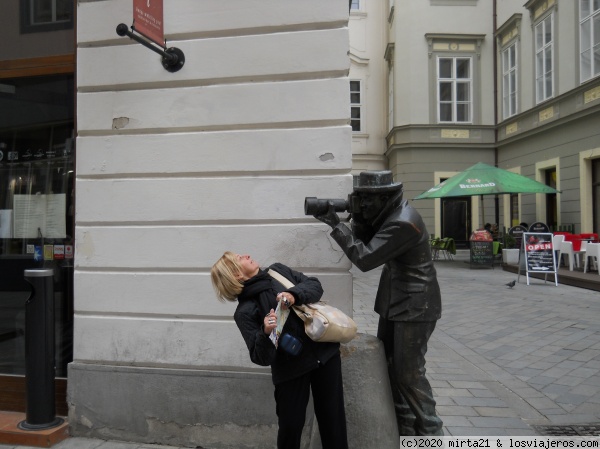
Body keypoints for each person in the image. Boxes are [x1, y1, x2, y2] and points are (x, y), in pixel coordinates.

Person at [312, 170, 443, 436]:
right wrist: (359, 218)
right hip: (396, 301)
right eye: (360, 198)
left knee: (408, 373)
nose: (364, 204)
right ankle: (405, 427)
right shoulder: (390, 214)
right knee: (390, 365)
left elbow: (366, 258)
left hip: (416, 305)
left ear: (386, 197)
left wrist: (336, 224)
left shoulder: (403, 222)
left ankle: (431, 430)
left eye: (368, 199)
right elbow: (368, 241)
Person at [211, 252, 348, 449]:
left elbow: (315, 286)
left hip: (324, 355)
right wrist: (265, 332)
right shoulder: (245, 312)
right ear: (236, 275)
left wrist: (293, 295)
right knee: (290, 429)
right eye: (240, 258)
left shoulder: (278, 272)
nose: (247, 255)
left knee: (333, 420)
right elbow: (260, 357)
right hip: (290, 371)